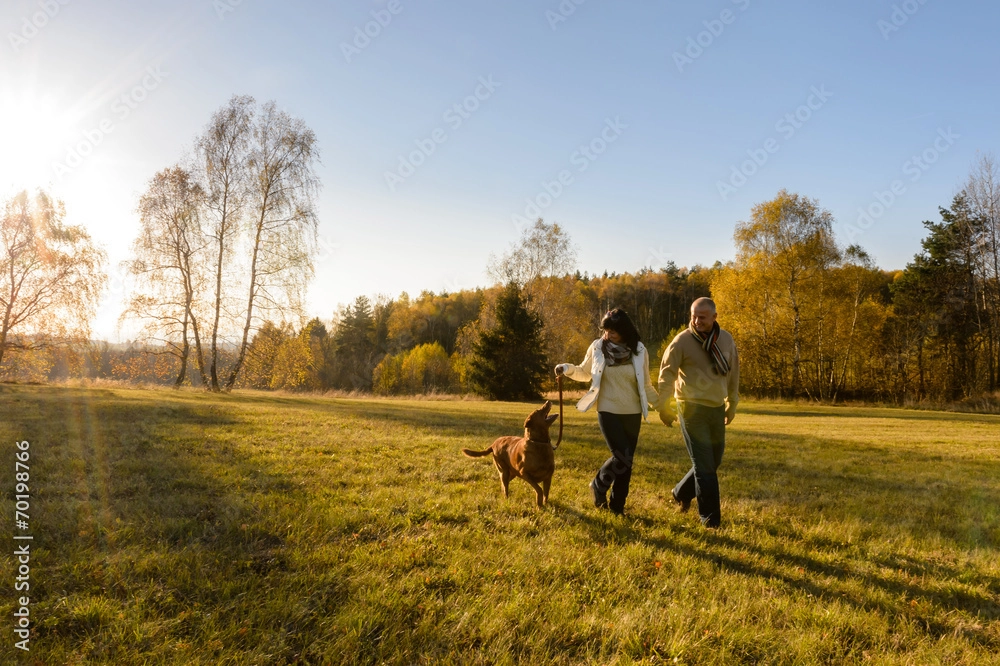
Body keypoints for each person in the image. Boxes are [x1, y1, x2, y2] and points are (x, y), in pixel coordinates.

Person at [555, 308, 658, 515]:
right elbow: (585, 372)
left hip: (633, 412)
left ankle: (617, 507)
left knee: (627, 462)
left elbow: (646, 385)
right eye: (606, 330)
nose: (607, 334)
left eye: (613, 331)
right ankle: (598, 484)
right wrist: (566, 369)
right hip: (607, 409)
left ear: (625, 331)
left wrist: (662, 406)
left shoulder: (639, 350)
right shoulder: (598, 347)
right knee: (621, 456)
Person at [657, 297, 739, 529]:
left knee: (713, 461)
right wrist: (663, 406)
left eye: (702, 317)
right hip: (690, 408)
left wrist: (732, 403)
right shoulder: (681, 341)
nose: (696, 320)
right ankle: (710, 520)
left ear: (714, 317)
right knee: (704, 467)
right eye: (693, 316)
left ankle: (680, 492)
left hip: (715, 407)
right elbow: (666, 375)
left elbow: (733, 373)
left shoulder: (726, 339)